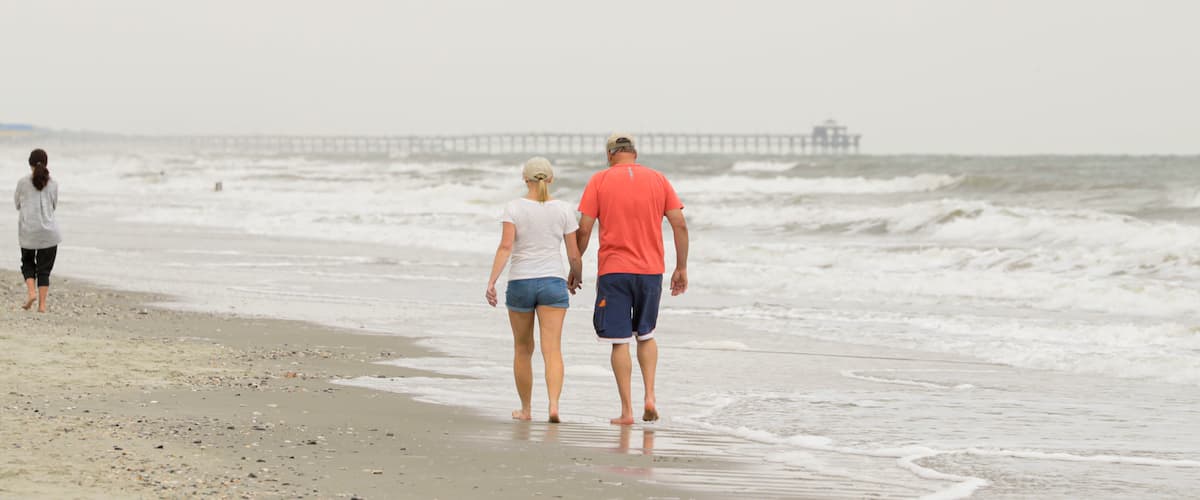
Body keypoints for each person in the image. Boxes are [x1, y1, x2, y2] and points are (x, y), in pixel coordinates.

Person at [574, 133, 688, 426]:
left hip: (615, 270)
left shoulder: (599, 180)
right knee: (646, 334)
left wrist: (575, 264)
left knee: (619, 340)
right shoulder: (659, 179)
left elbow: (584, 229)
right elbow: (679, 224)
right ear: (634, 153)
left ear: (610, 154)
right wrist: (681, 267)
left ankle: (627, 411)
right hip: (651, 270)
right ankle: (650, 395)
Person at [486, 157, 583, 423]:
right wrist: (576, 276)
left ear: (524, 179)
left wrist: (492, 281)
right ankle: (553, 406)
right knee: (552, 350)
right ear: (551, 179)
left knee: (522, 349)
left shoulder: (514, 207)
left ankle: (526, 409)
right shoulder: (563, 209)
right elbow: (574, 254)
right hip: (553, 282)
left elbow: (505, 247)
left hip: (520, 282)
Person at [15, 149, 62, 313]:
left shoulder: (22, 182)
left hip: (28, 232)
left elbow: (17, 204)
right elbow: (54, 206)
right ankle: (42, 306)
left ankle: (31, 293)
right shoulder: (54, 183)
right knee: (44, 270)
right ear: (46, 163)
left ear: (30, 164)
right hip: (50, 234)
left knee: (27, 264)